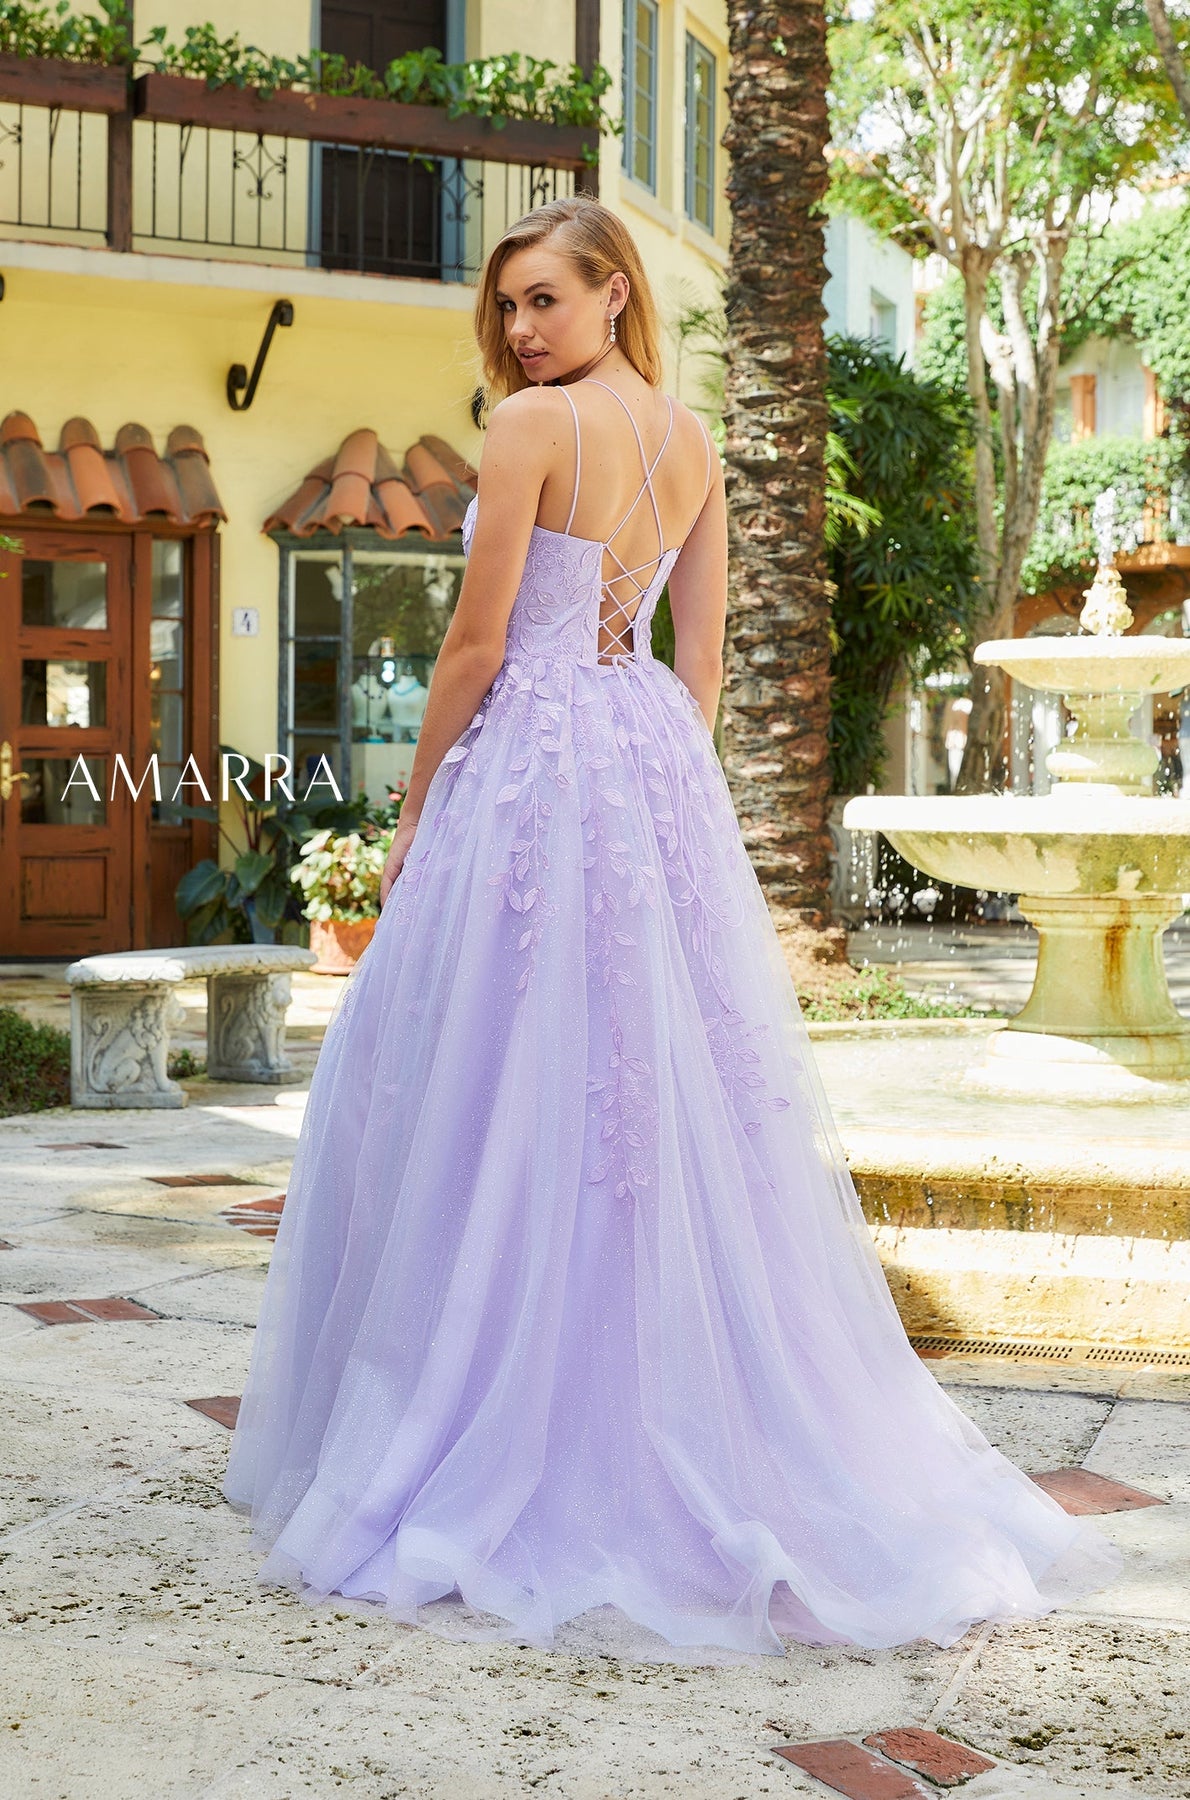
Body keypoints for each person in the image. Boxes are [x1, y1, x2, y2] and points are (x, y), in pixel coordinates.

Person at [222, 196, 1121, 1663]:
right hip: (640, 755)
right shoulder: (690, 440)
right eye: (509, 306)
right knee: (637, 1077)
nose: (522, 329)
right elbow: (696, 661)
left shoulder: (531, 427)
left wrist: (419, 801)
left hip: (530, 757)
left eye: (545, 300)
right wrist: (649, 792)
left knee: (490, 1066)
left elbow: (474, 641)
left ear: (614, 295)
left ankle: (490, 1407)